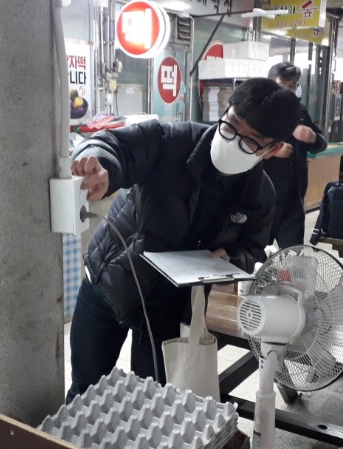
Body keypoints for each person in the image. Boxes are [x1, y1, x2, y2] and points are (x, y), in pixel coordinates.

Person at [66, 78, 300, 402]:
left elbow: (253, 246)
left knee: (153, 402)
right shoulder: (170, 141)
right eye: (231, 126)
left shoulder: (259, 196)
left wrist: (231, 258)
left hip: (169, 307)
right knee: (85, 393)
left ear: (272, 149)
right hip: (110, 281)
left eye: (250, 142)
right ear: (226, 111)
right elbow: (115, 145)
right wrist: (102, 167)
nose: (232, 142)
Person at [264, 62, 328, 249]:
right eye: (283, 85)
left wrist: (312, 137)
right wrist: (271, 151)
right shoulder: (258, 113)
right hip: (263, 200)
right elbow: (242, 150)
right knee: (254, 256)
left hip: (293, 199)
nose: (288, 91)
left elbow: (321, 144)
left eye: (292, 86)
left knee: (293, 255)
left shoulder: (300, 111)